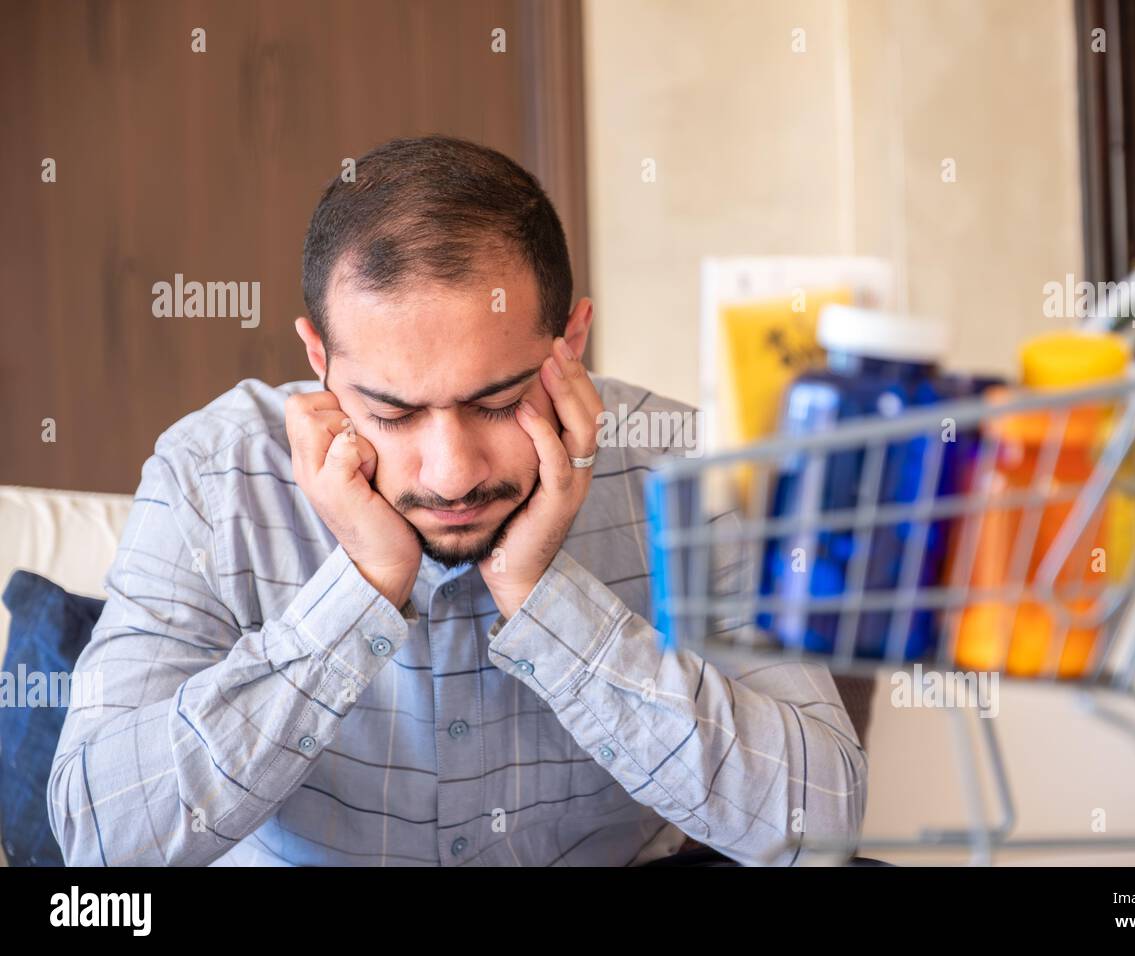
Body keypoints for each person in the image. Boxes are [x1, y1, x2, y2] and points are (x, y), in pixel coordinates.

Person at [47, 134, 868, 866]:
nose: (449, 474)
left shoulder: (686, 469)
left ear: (570, 344)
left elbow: (818, 824)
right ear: (319, 360)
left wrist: (545, 598)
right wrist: (361, 588)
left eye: (500, 402)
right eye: (393, 413)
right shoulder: (213, 471)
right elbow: (98, 838)